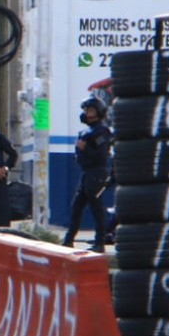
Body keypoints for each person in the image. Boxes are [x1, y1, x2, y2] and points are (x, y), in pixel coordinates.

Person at [62, 97, 113, 253]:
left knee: (96, 207)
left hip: (97, 172)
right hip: (86, 171)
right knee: (76, 206)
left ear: (98, 112)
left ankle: (100, 243)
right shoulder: (85, 131)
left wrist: (85, 149)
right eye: (86, 111)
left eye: (90, 111)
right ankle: (68, 240)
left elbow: (101, 155)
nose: (87, 114)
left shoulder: (101, 131)